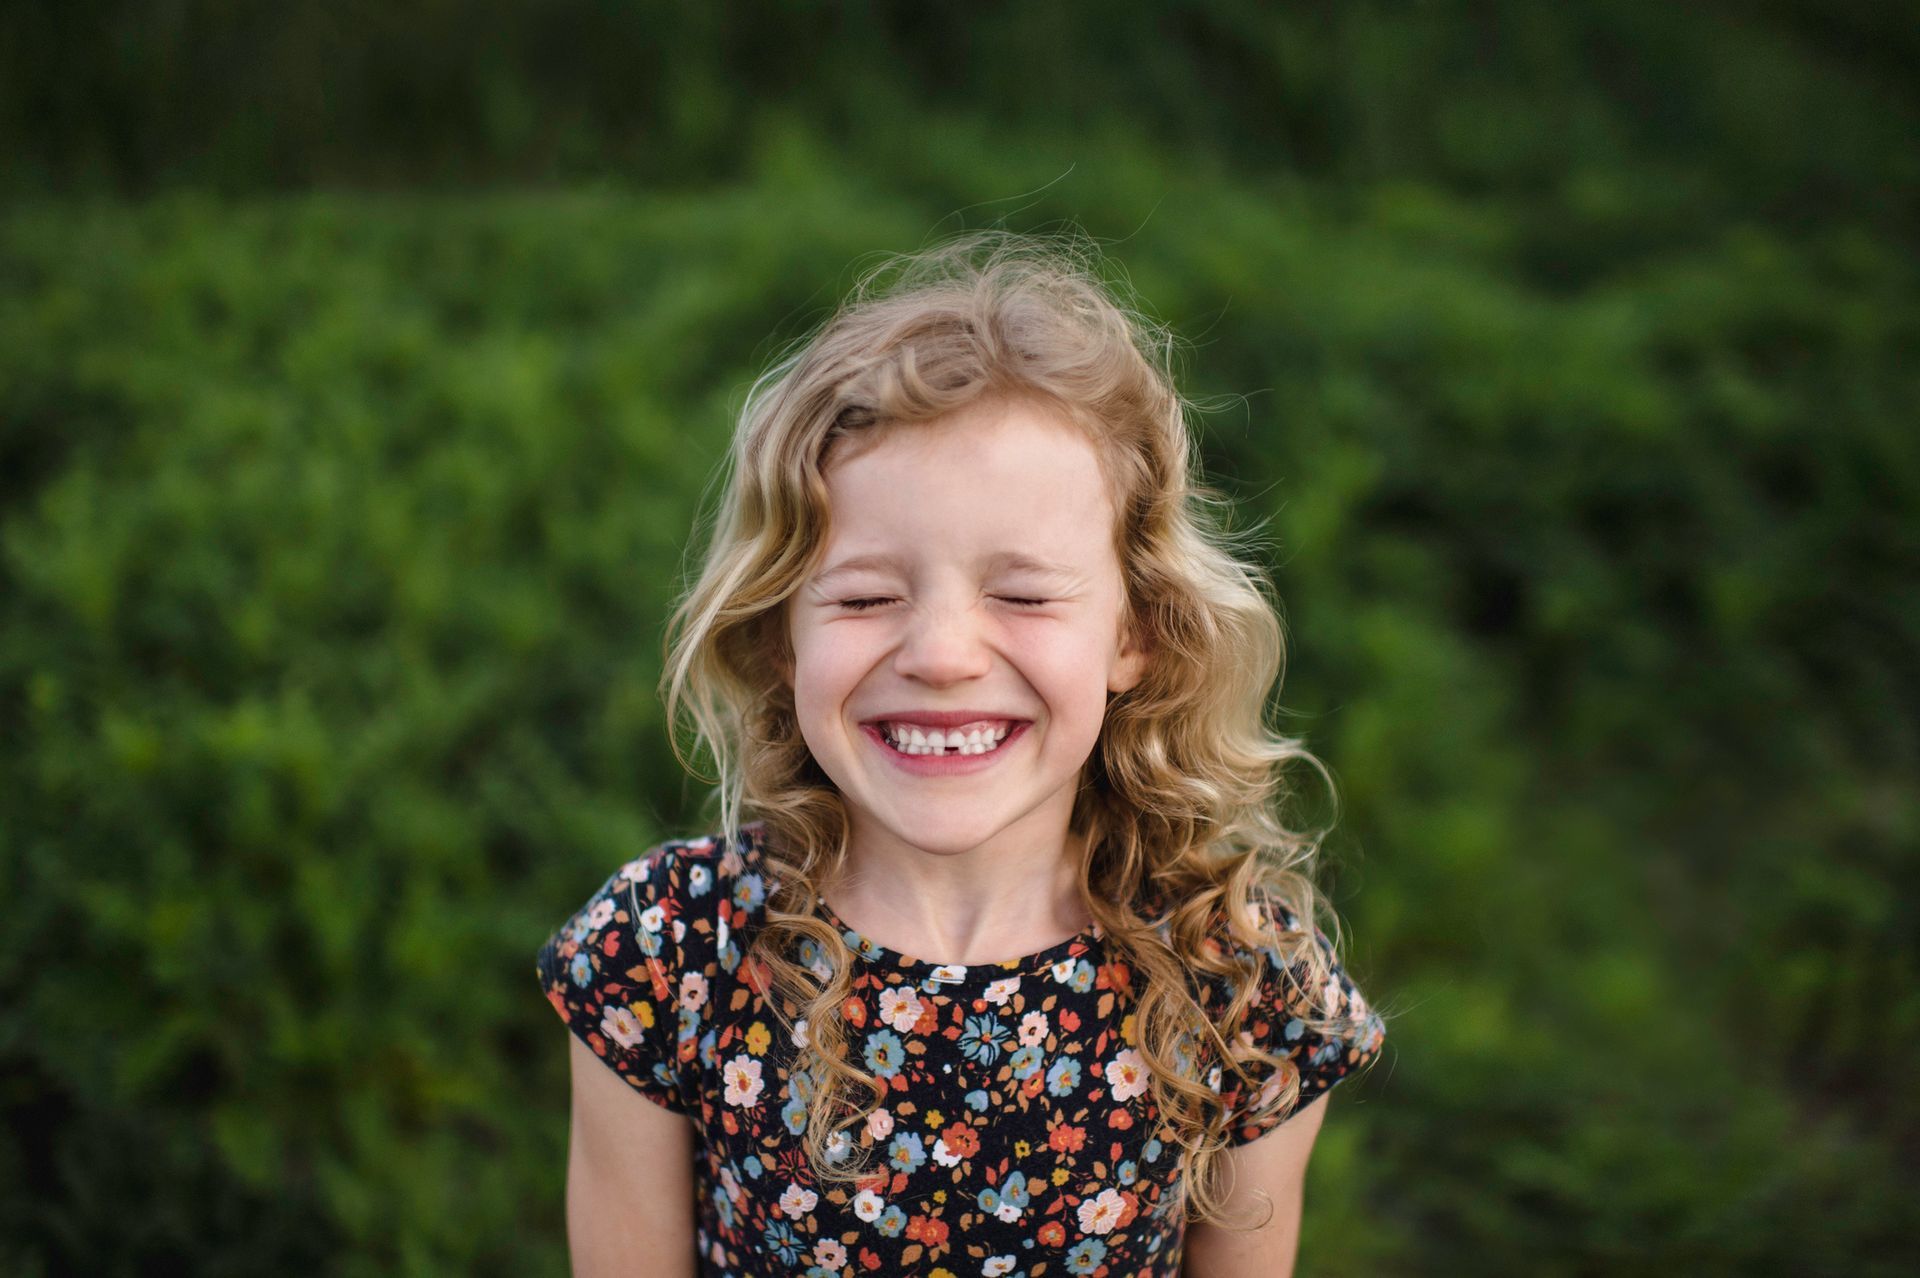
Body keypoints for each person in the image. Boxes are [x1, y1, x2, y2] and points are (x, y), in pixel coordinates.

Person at [535, 230, 1388, 1277]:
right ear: (777, 637)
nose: (941, 656)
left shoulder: (1238, 979)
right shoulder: (668, 953)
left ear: (1136, 633)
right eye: (864, 598)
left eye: (1022, 595)